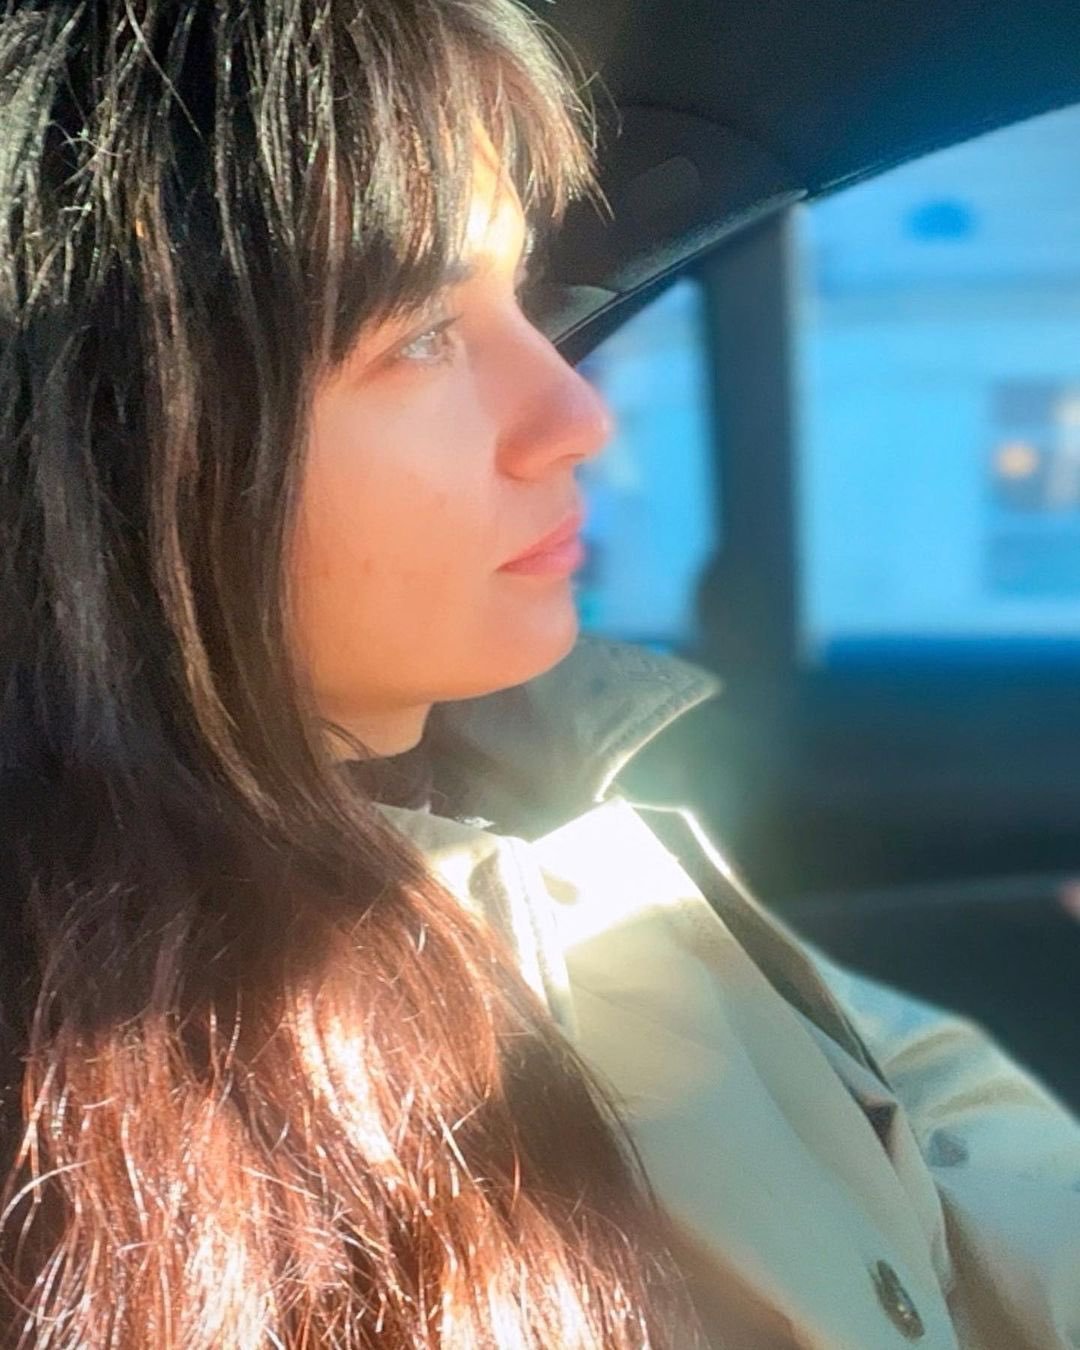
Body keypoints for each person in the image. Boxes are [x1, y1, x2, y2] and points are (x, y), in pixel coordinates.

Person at [0, 2, 1077, 1347]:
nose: (577, 412)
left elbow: (905, 1095)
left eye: (519, 296)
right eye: (420, 333)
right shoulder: (120, 1136)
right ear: (105, 453)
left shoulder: (538, 780)